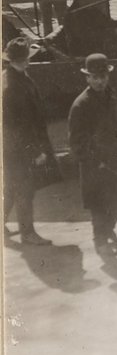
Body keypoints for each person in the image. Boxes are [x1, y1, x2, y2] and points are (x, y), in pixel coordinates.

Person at [68, 53, 117, 250]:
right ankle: (101, 239)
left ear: (108, 76)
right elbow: (77, 141)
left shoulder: (110, 95)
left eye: (103, 76)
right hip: (96, 164)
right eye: (95, 77)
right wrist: (96, 161)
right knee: (99, 204)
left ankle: (108, 229)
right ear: (87, 78)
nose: (99, 81)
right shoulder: (81, 105)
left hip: (115, 158)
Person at [3, 38, 56, 246]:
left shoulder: (10, 77)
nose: (28, 62)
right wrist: (35, 151)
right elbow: (22, 125)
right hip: (19, 148)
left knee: (9, 188)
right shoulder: (15, 87)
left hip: (9, 147)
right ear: (21, 60)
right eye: (25, 59)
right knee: (24, 189)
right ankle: (28, 233)